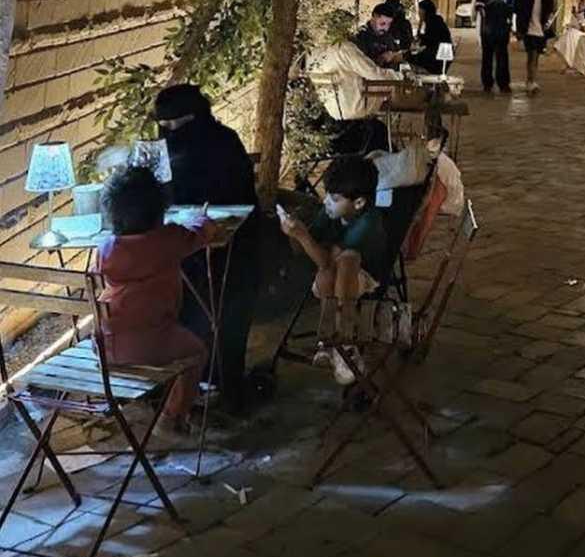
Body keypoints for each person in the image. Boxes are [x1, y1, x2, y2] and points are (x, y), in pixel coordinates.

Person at [154, 85, 259, 414]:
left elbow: (235, 196)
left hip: (232, 247)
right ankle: (189, 385)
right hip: (188, 247)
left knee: (222, 316)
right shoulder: (166, 148)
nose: (170, 132)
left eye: (176, 124)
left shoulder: (222, 143)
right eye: (164, 126)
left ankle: (221, 384)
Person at [96, 164, 216, 437]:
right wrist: (201, 219)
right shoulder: (168, 239)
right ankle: (172, 417)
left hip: (106, 345)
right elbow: (202, 233)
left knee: (150, 337)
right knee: (197, 352)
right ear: (159, 208)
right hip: (152, 341)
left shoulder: (105, 248)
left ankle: (145, 404)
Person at [276, 155, 391, 384]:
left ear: (359, 203)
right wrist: (293, 231)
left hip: (367, 278)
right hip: (334, 276)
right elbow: (314, 257)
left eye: (335, 198)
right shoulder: (331, 212)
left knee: (346, 260)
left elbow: (326, 259)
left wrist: (303, 236)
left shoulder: (368, 223)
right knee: (326, 274)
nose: (327, 201)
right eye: (327, 194)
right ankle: (330, 340)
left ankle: (344, 342)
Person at [307, 37, 391, 155]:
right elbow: (375, 74)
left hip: (335, 113)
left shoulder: (312, 55)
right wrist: (399, 75)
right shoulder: (343, 48)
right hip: (359, 106)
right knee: (390, 85)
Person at [474, 0, 515, 95]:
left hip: (503, 28)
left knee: (502, 56)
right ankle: (487, 83)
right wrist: (485, 23)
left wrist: (510, 26)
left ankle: (504, 84)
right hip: (488, 28)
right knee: (487, 56)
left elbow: (511, 9)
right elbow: (479, 7)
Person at [514, 0, 556, 94]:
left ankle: (531, 80)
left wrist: (549, 23)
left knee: (536, 57)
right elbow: (516, 11)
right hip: (529, 30)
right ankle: (530, 81)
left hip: (541, 31)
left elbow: (551, 12)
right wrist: (519, 29)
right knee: (531, 56)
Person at [411, 0, 454, 74]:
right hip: (437, 51)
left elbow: (430, 40)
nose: (419, 12)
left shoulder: (433, 21)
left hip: (440, 53)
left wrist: (420, 34)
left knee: (412, 57)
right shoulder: (432, 20)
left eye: (420, 10)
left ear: (425, 10)